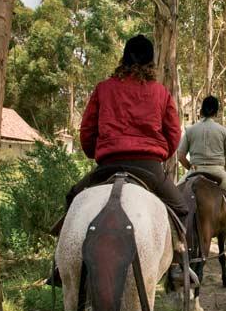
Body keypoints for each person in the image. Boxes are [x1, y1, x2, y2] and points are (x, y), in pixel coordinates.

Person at [64, 34, 189, 225]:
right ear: (150, 63)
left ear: (124, 59)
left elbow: (87, 130)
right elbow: (173, 134)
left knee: (73, 198)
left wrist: (94, 152)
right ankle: (180, 253)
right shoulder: (161, 92)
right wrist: (161, 156)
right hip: (149, 168)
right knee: (181, 209)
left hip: (108, 165)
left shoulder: (103, 89)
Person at [177, 96, 226, 238]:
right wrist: (221, 166)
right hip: (217, 170)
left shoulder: (190, 130)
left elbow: (181, 156)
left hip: (195, 171)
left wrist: (191, 167)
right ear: (216, 112)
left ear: (201, 111)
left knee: (174, 196)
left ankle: (174, 231)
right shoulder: (222, 130)